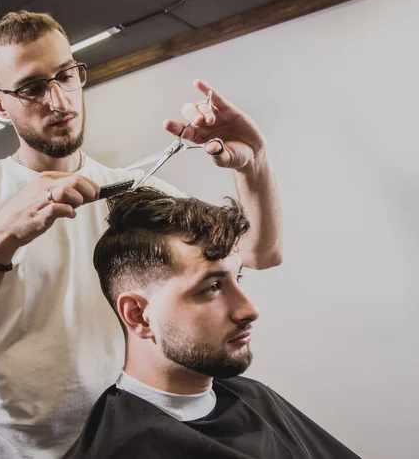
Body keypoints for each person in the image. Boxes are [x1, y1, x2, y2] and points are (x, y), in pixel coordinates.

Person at [0, 10, 283, 458]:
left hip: (129, 440)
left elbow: (258, 253)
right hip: (20, 451)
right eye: (31, 88)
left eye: (65, 76)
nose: (59, 101)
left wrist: (253, 164)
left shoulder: (140, 192)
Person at [64, 187, 360, 459]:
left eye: (238, 277)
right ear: (139, 315)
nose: (249, 309)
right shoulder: (119, 449)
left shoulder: (254, 397)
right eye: (212, 287)